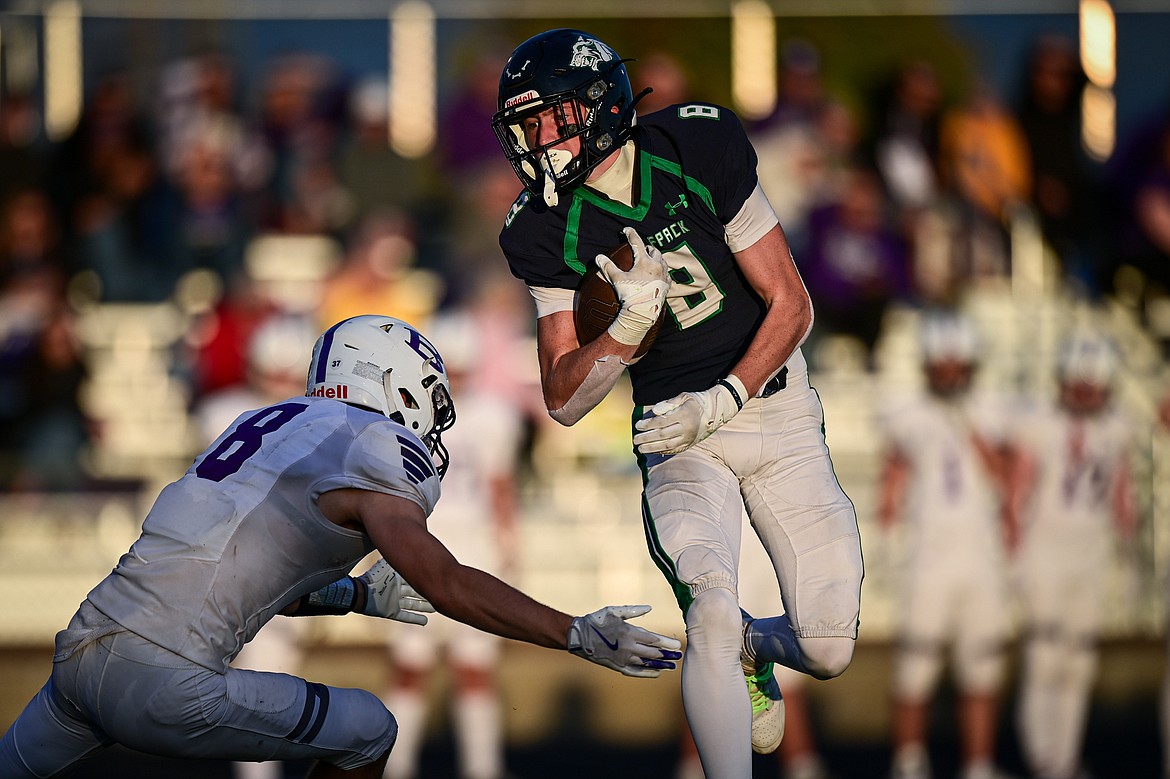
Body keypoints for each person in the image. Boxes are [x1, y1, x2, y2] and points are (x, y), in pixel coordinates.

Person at [0, 314, 681, 778]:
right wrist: (573, 632)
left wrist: (354, 593)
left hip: (80, 654)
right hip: (165, 680)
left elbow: (241, 566)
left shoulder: (262, 418)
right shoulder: (375, 444)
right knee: (369, 727)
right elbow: (442, 579)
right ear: (390, 380)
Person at [491, 29, 863, 778]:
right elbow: (563, 397)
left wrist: (724, 396)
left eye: (548, 118)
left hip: (774, 409)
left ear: (597, 105)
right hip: (674, 433)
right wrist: (625, 332)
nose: (536, 141)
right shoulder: (539, 227)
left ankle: (762, 649)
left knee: (827, 647)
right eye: (524, 125)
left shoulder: (697, 146)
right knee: (712, 613)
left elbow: (790, 303)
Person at [876, 310, 1017, 779]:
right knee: (916, 663)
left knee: (983, 665)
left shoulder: (992, 409)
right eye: (943, 367)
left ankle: (978, 764)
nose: (951, 376)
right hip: (929, 554)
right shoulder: (909, 414)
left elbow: (1006, 477)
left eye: (958, 367)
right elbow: (892, 481)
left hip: (980, 554)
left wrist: (969, 428)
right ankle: (908, 761)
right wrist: (884, 538)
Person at [1010, 330, 1135, 779]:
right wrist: (1012, 551)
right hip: (1045, 549)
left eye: (1092, 386)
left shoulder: (1118, 425)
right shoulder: (1039, 422)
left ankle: (1064, 757)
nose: (1084, 394)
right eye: (1077, 385)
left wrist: (1129, 548)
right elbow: (1017, 492)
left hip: (1093, 550)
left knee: (1080, 661)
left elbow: (1123, 490)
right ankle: (1043, 757)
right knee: (1045, 656)